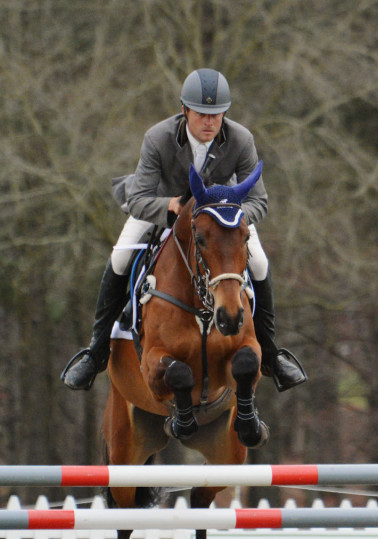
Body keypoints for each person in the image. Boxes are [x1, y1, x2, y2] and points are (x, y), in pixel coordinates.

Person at [62, 68, 307, 392]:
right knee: (121, 257)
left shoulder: (241, 140)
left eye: (217, 114)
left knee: (259, 263)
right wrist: (169, 207)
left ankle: (272, 356)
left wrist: (229, 217)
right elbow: (138, 198)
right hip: (163, 208)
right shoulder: (158, 138)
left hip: (223, 221)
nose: (209, 122)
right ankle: (95, 353)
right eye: (202, 114)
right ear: (184, 111)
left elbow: (259, 201)